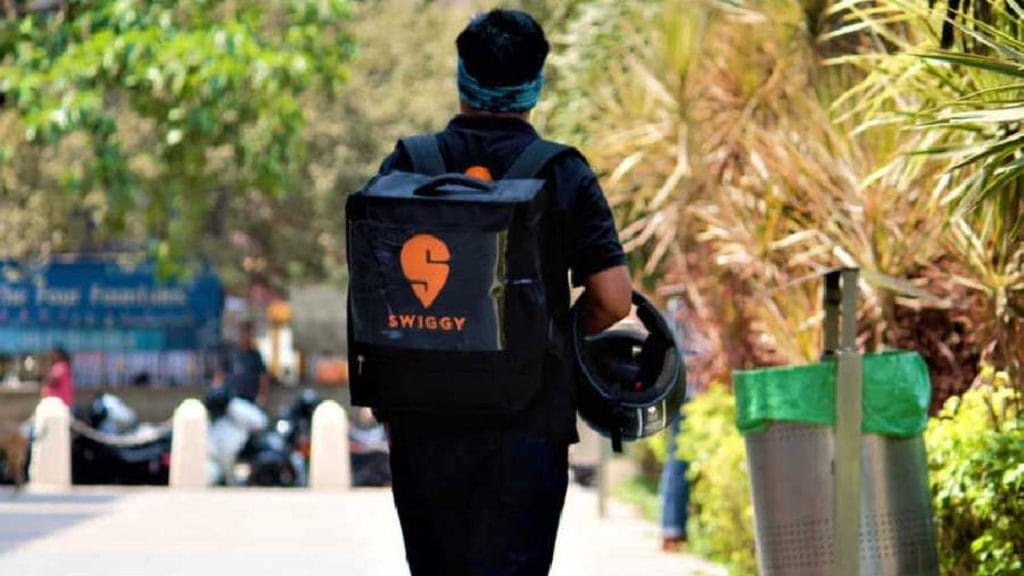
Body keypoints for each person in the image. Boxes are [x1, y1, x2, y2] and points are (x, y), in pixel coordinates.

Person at [367, 9, 632, 576]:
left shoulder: (410, 163)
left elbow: (375, 283)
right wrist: (558, 336)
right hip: (527, 424)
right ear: (536, 81)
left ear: (462, 76)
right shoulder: (561, 172)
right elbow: (613, 299)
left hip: (423, 421)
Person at [215, 321, 270, 406]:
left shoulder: (255, 356)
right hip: (232, 398)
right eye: (243, 334)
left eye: (248, 334)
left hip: (250, 399)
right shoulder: (231, 353)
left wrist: (262, 396)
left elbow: (263, 377)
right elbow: (220, 373)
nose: (245, 337)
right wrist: (216, 390)